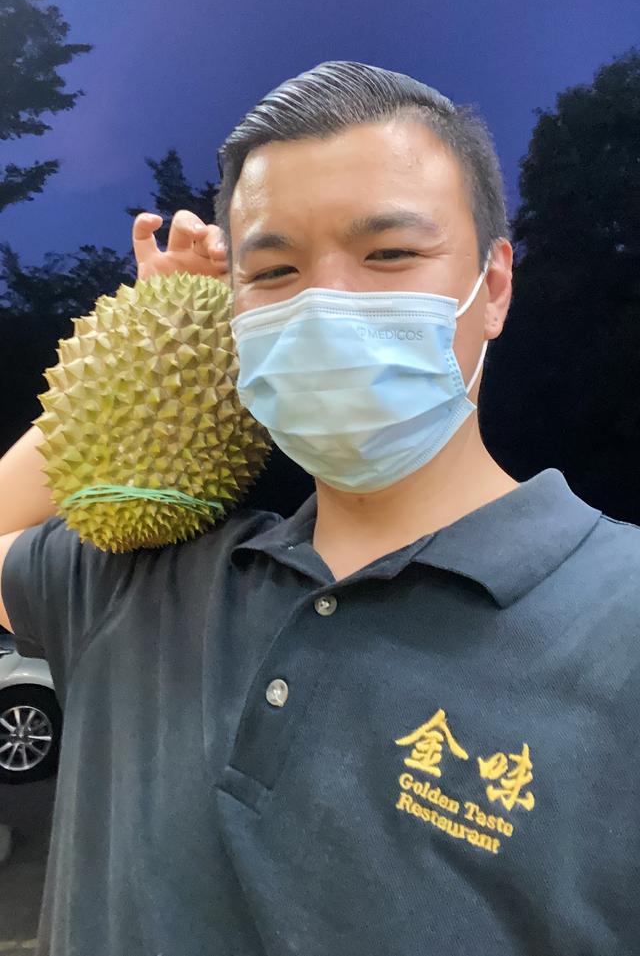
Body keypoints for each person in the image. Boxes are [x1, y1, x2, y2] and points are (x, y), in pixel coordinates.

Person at [0, 60, 638, 955]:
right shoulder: (139, 584)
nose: (324, 302)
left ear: (493, 285)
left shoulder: (622, 625)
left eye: (387, 254)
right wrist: (151, 335)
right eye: (273, 269)